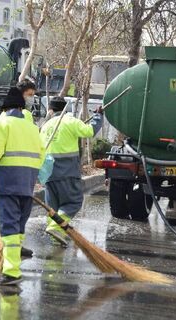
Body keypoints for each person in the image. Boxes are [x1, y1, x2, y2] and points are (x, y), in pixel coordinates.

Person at [0, 87, 44, 286]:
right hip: (28, 183)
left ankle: (11, 273)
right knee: (18, 225)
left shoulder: (2, 123)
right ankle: (14, 265)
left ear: (5, 108)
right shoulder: (33, 127)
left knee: (9, 227)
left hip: (8, 182)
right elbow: (41, 156)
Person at [40, 96, 103, 246]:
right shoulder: (70, 121)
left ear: (51, 110)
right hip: (66, 172)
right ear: (65, 109)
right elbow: (89, 131)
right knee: (73, 202)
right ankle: (55, 228)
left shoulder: (46, 125)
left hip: (48, 174)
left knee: (53, 207)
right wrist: (98, 117)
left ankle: (55, 235)